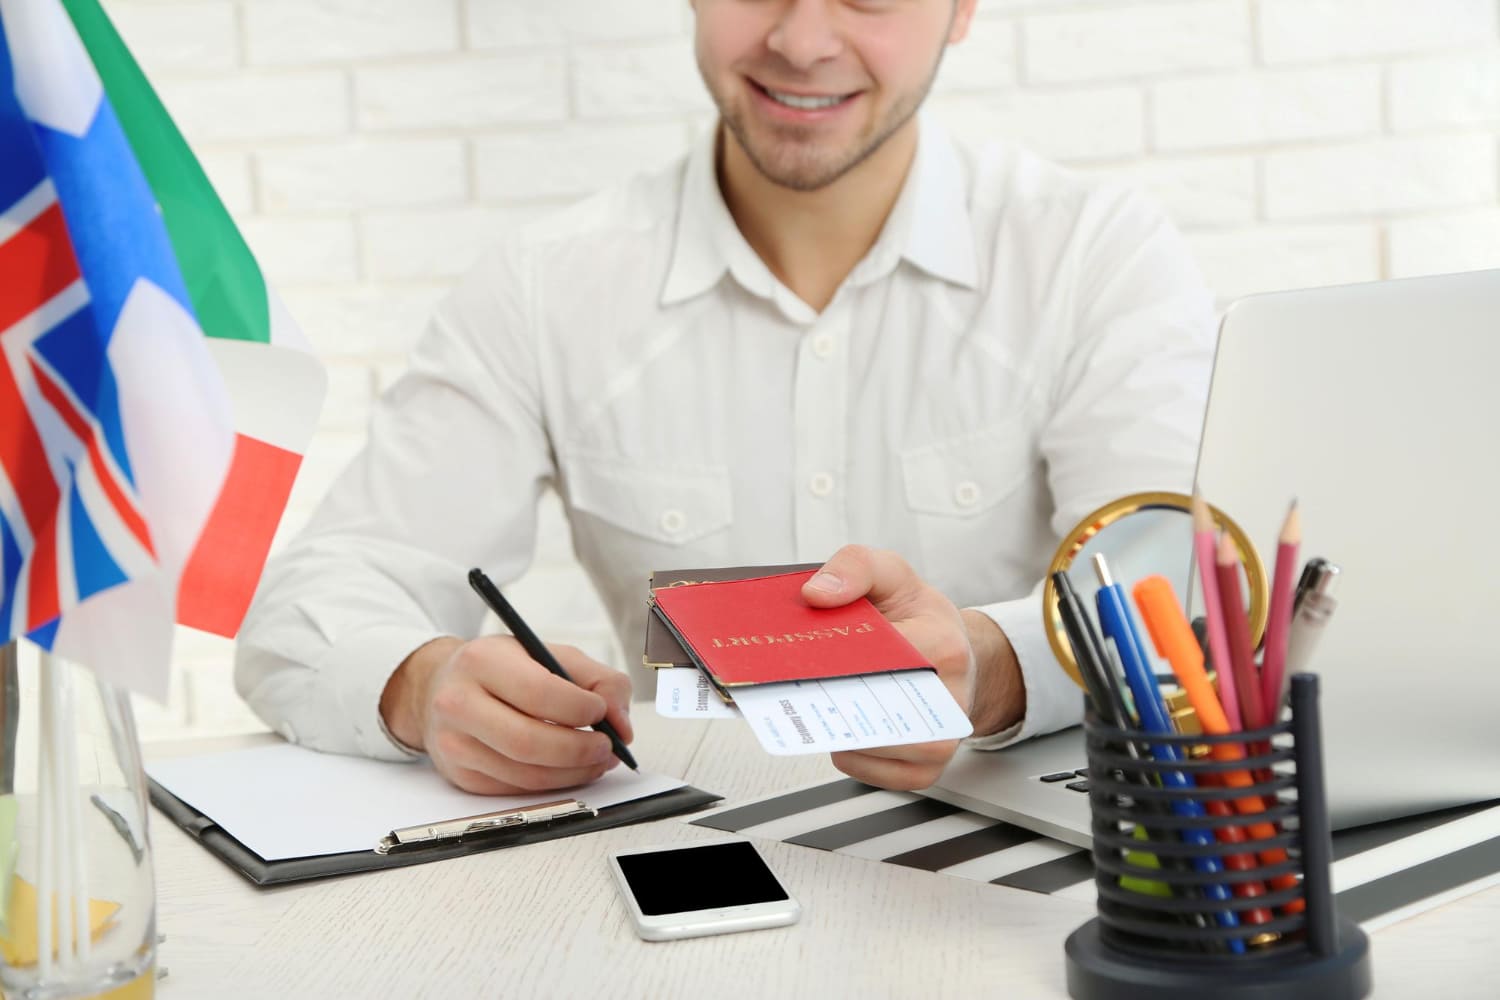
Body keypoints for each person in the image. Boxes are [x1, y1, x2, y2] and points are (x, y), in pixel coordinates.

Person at [235, 0, 1214, 795]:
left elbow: (1192, 590)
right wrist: (419, 683)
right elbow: (310, 602)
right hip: (691, 866)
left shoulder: (1093, 256)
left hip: (1023, 879)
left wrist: (993, 666)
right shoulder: (547, 288)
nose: (799, 38)